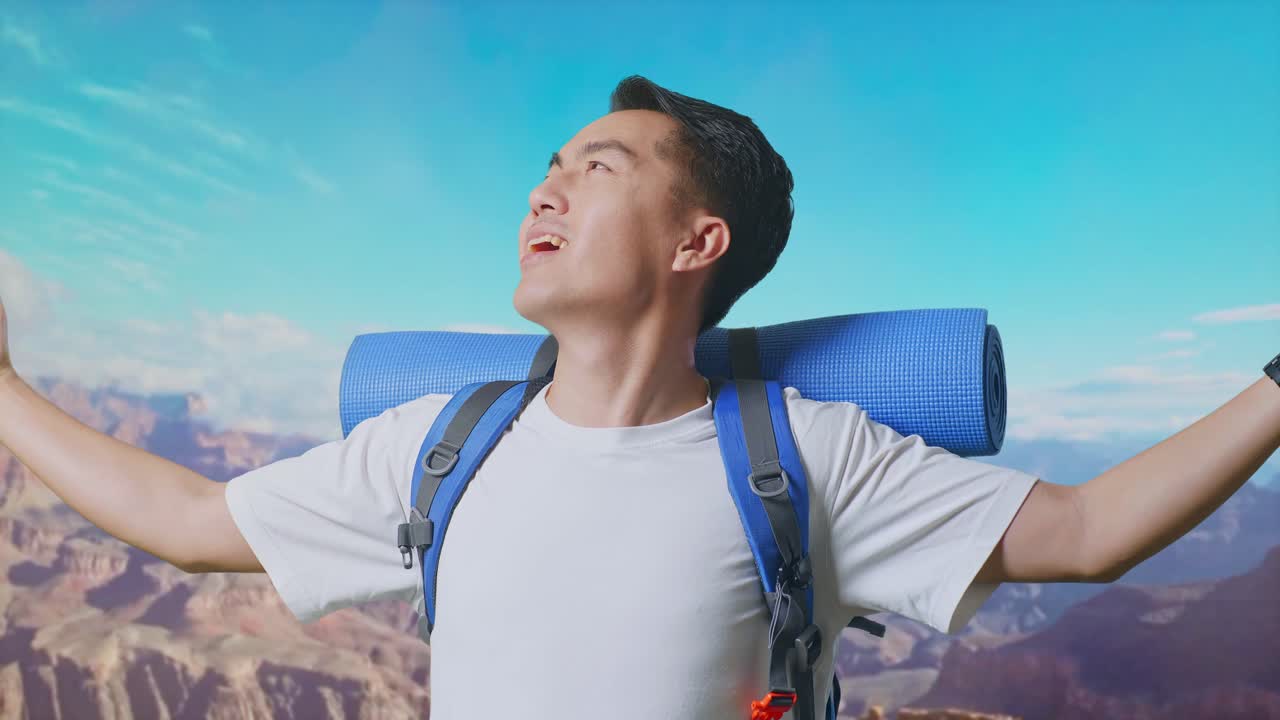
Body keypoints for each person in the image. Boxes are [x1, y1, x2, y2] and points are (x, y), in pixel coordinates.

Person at [1, 75, 1277, 720]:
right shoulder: (439, 446)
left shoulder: (799, 458)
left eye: (595, 168)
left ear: (693, 244)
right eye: (545, 167)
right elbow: (186, 523)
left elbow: (1093, 531)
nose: (543, 191)